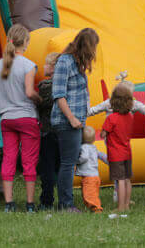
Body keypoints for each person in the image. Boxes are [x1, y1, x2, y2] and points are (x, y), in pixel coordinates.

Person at [0, 24, 40, 213]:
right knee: (28, 160)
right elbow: (29, 91)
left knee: (8, 158)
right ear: (25, 42)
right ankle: (30, 204)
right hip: (26, 117)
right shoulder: (28, 65)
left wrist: (6, 97)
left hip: (7, 118)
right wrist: (39, 98)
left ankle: (9, 203)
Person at [51, 28, 99, 212]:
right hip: (67, 121)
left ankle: (68, 201)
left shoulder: (77, 63)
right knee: (68, 163)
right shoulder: (65, 62)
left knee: (70, 162)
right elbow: (59, 94)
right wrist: (71, 119)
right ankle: (65, 204)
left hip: (77, 120)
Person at [101, 83, 137, 215]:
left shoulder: (111, 118)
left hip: (116, 154)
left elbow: (103, 134)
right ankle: (126, 204)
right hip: (127, 152)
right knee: (127, 179)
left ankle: (121, 206)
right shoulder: (130, 116)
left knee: (120, 180)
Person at [36, 52, 61, 210]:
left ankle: (46, 200)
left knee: (47, 168)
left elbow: (40, 105)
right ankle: (65, 198)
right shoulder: (64, 85)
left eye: (46, 64)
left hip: (48, 132)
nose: (43, 66)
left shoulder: (45, 87)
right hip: (62, 132)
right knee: (60, 166)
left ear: (52, 68)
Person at [76, 126, 106, 213]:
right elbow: (102, 155)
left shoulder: (84, 147)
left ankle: (96, 208)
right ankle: (92, 206)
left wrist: (77, 161)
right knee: (92, 193)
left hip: (89, 176)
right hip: (95, 176)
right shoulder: (94, 147)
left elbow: (84, 157)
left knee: (90, 194)